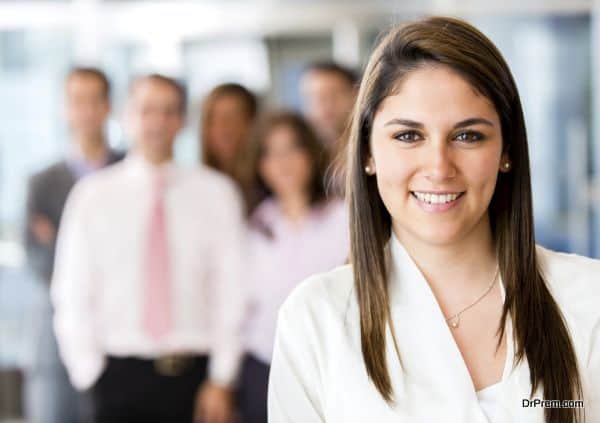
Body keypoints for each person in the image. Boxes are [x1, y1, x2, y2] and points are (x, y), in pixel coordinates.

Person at [268, 17, 599, 423]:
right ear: (368, 154)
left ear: (506, 151)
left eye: (467, 136)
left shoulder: (588, 298)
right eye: (409, 136)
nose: (439, 167)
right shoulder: (316, 318)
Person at [51, 74, 246, 423]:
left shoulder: (217, 194)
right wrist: (89, 372)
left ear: (183, 121)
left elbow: (232, 290)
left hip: (196, 378)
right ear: (126, 116)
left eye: (169, 111)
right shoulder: (92, 197)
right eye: (146, 110)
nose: (158, 122)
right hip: (116, 376)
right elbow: (72, 290)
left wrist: (222, 377)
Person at [24, 67, 123, 423]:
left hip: (121, 329)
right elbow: (36, 260)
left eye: (94, 100)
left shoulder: (128, 169)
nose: (86, 110)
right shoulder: (41, 182)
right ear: (64, 108)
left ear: (109, 106)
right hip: (55, 333)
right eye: (77, 101)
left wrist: (63, 243)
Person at [237, 112, 349, 423]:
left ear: (310, 153)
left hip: (332, 367)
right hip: (265, 366)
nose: (283, 162)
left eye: (292, 149)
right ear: (260, 164)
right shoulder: (254, 225)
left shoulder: (344, 217)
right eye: (271, 153)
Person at [201, 83, 258, 186]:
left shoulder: (269, 186)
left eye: (233, 118)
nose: (223, 128)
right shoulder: (198, 183)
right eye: (214, 119)